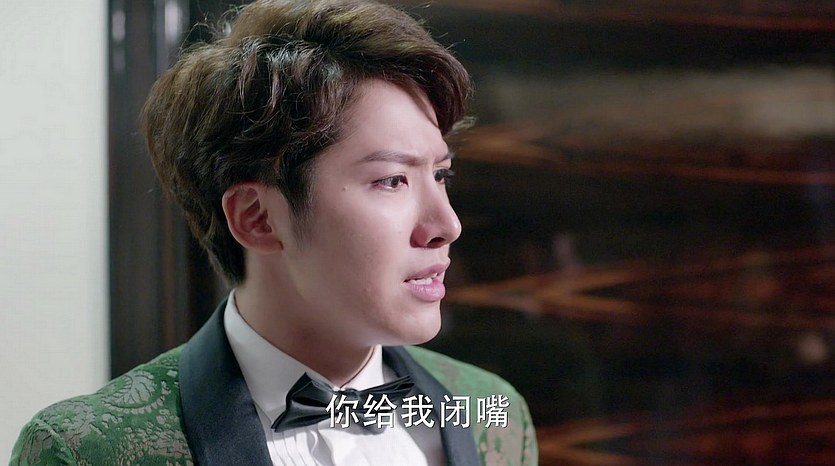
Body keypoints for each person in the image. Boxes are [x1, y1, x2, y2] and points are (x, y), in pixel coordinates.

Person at [10, 0, 537, 464]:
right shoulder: (87, 450)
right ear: (257, 218)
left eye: (440, 175)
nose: (447, 225)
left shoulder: (492, 413)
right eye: (391, 180)